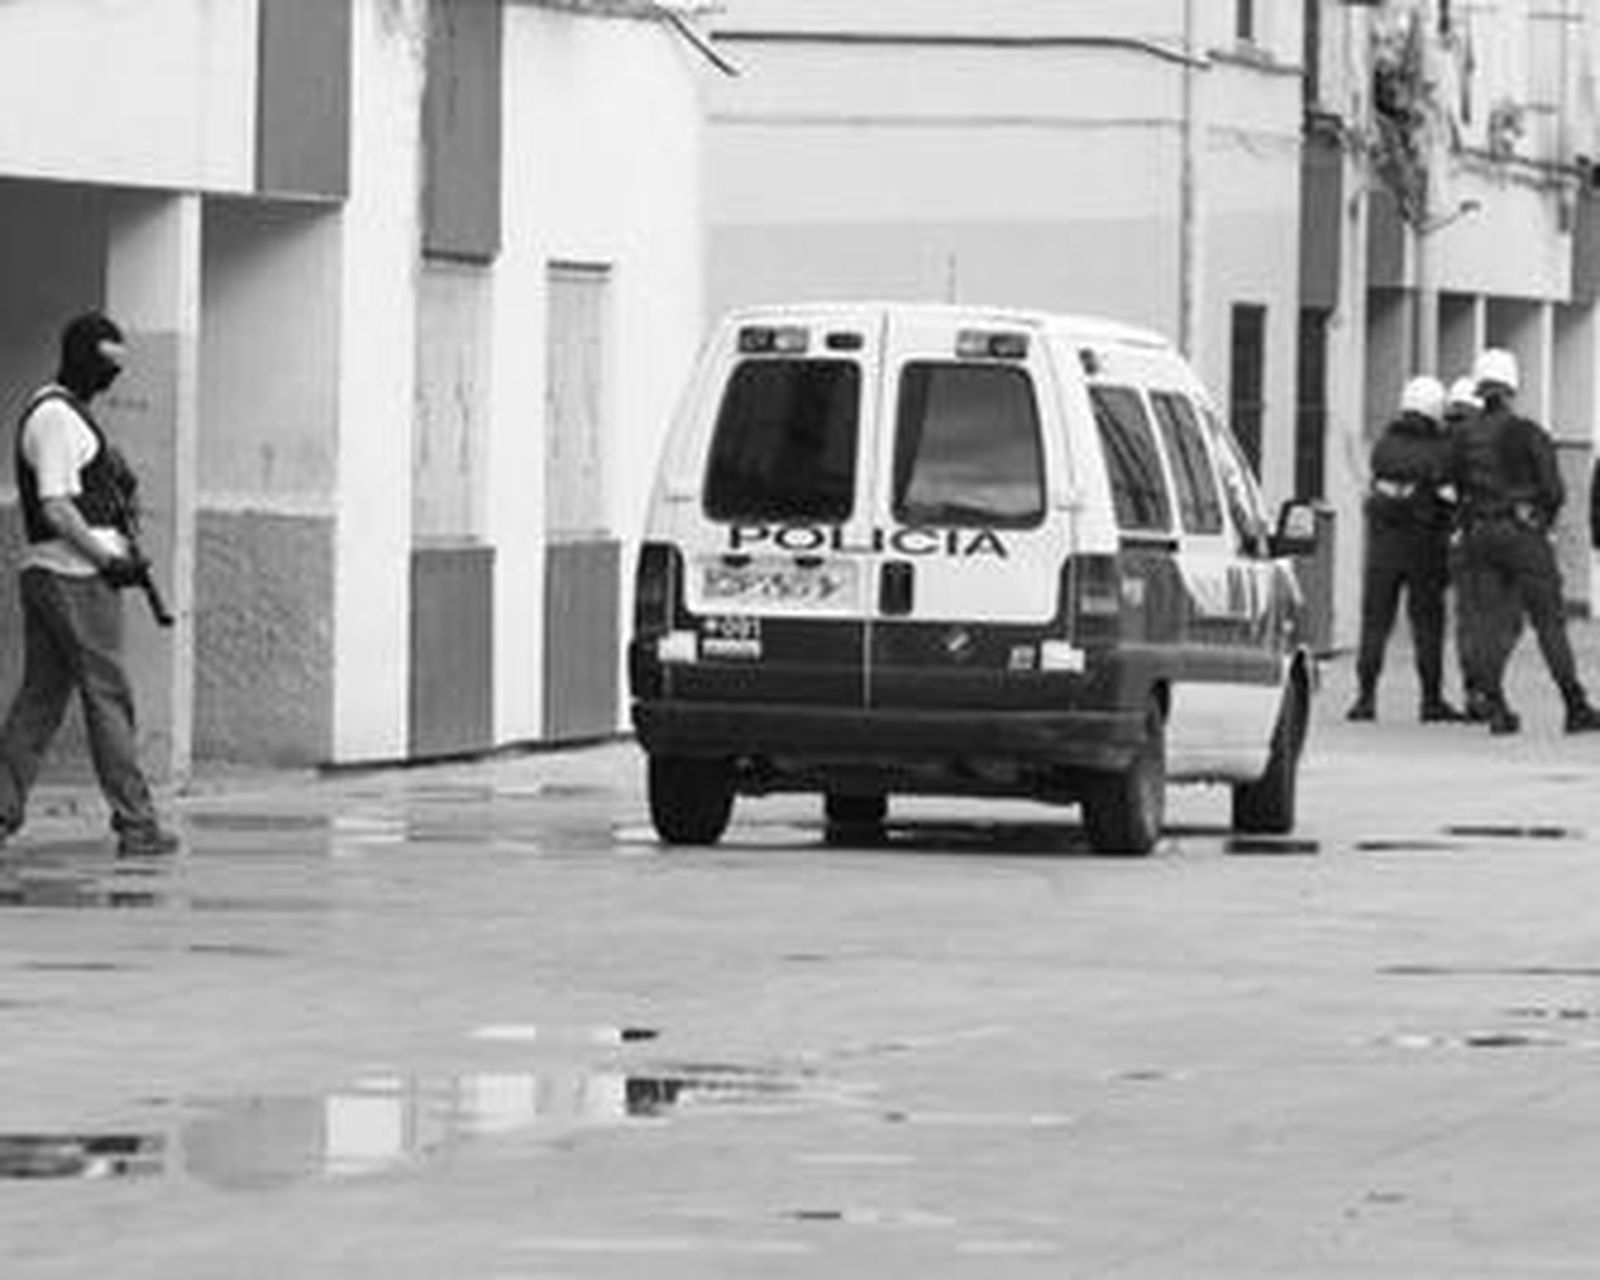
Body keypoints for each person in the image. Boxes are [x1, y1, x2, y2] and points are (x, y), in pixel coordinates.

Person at [0, 312, 180, 855]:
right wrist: (105, 559)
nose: (113, 377)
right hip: (73, 576)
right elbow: (56, 506)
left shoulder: (70, 414)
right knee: (108, 697)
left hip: (59, 573)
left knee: (40, 701)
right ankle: (137, 822)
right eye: (107, 364)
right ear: (81, 355)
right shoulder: (55, 416)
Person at [1450, 347, 1600, 736]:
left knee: (1487, 624)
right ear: (1512, 387)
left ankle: (1496, 707)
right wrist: (1539, 517)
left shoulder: (1463, 436)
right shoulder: (1528, 432)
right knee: (1549, 620)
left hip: (1478, 536)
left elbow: (1453, 483)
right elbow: (1554, 490)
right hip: (1522, 534)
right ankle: (1574, 704)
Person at [1347, 375, 1464, 723]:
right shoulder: (1440, 450)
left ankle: (1365, 698)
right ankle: (1430, 700)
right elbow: (1449, 496)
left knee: (1374, 624)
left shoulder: (1384, 446)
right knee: (1427, 625)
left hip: (1382, 549)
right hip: (1424, 548)